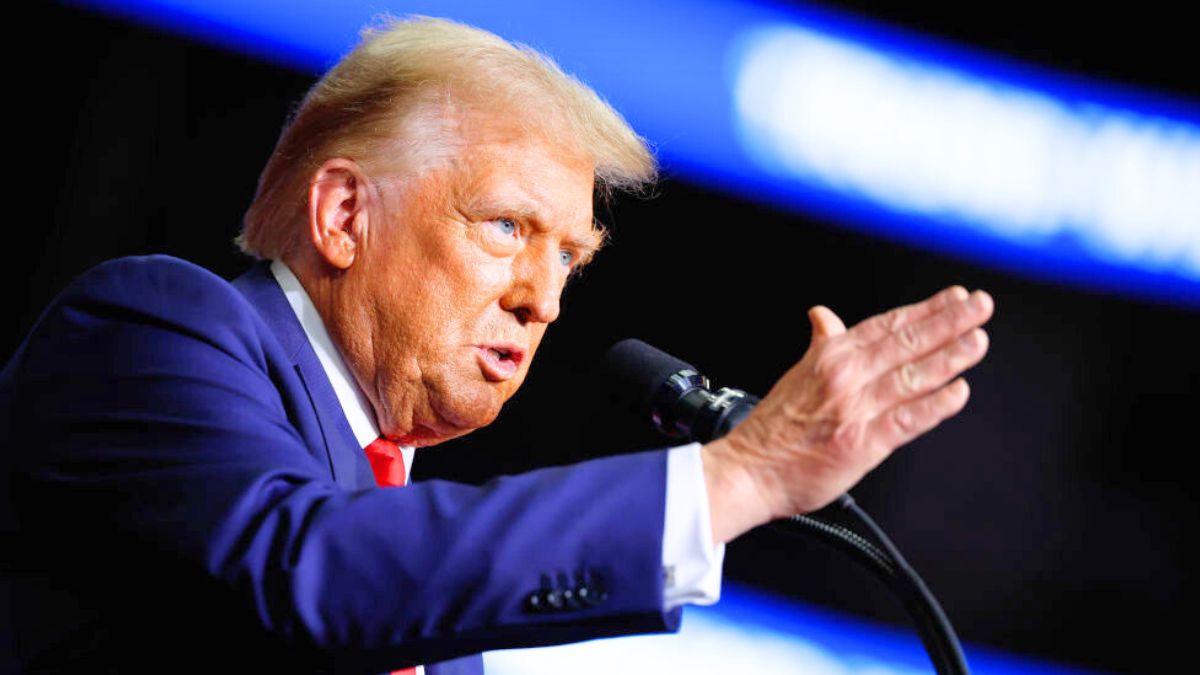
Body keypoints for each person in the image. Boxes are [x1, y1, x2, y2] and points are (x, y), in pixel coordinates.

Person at [0, 16, 993, 674]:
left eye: (572, 257)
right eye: (508, 229)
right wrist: (739, 477)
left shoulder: (428, 604)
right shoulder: (156, 331)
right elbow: (307, 573)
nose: (545, 300)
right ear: (343, 213)